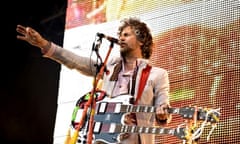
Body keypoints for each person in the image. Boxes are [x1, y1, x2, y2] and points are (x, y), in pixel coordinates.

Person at [16, 17, 171, 144]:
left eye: (127, 35)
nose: (121, 38)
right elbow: (76, 61)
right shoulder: (109, 66)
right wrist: (43, 44)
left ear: (141, 40)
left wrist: (163, 113)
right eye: (121, 35)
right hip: (103, 140)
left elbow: (163, 106)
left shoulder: (157, 75)